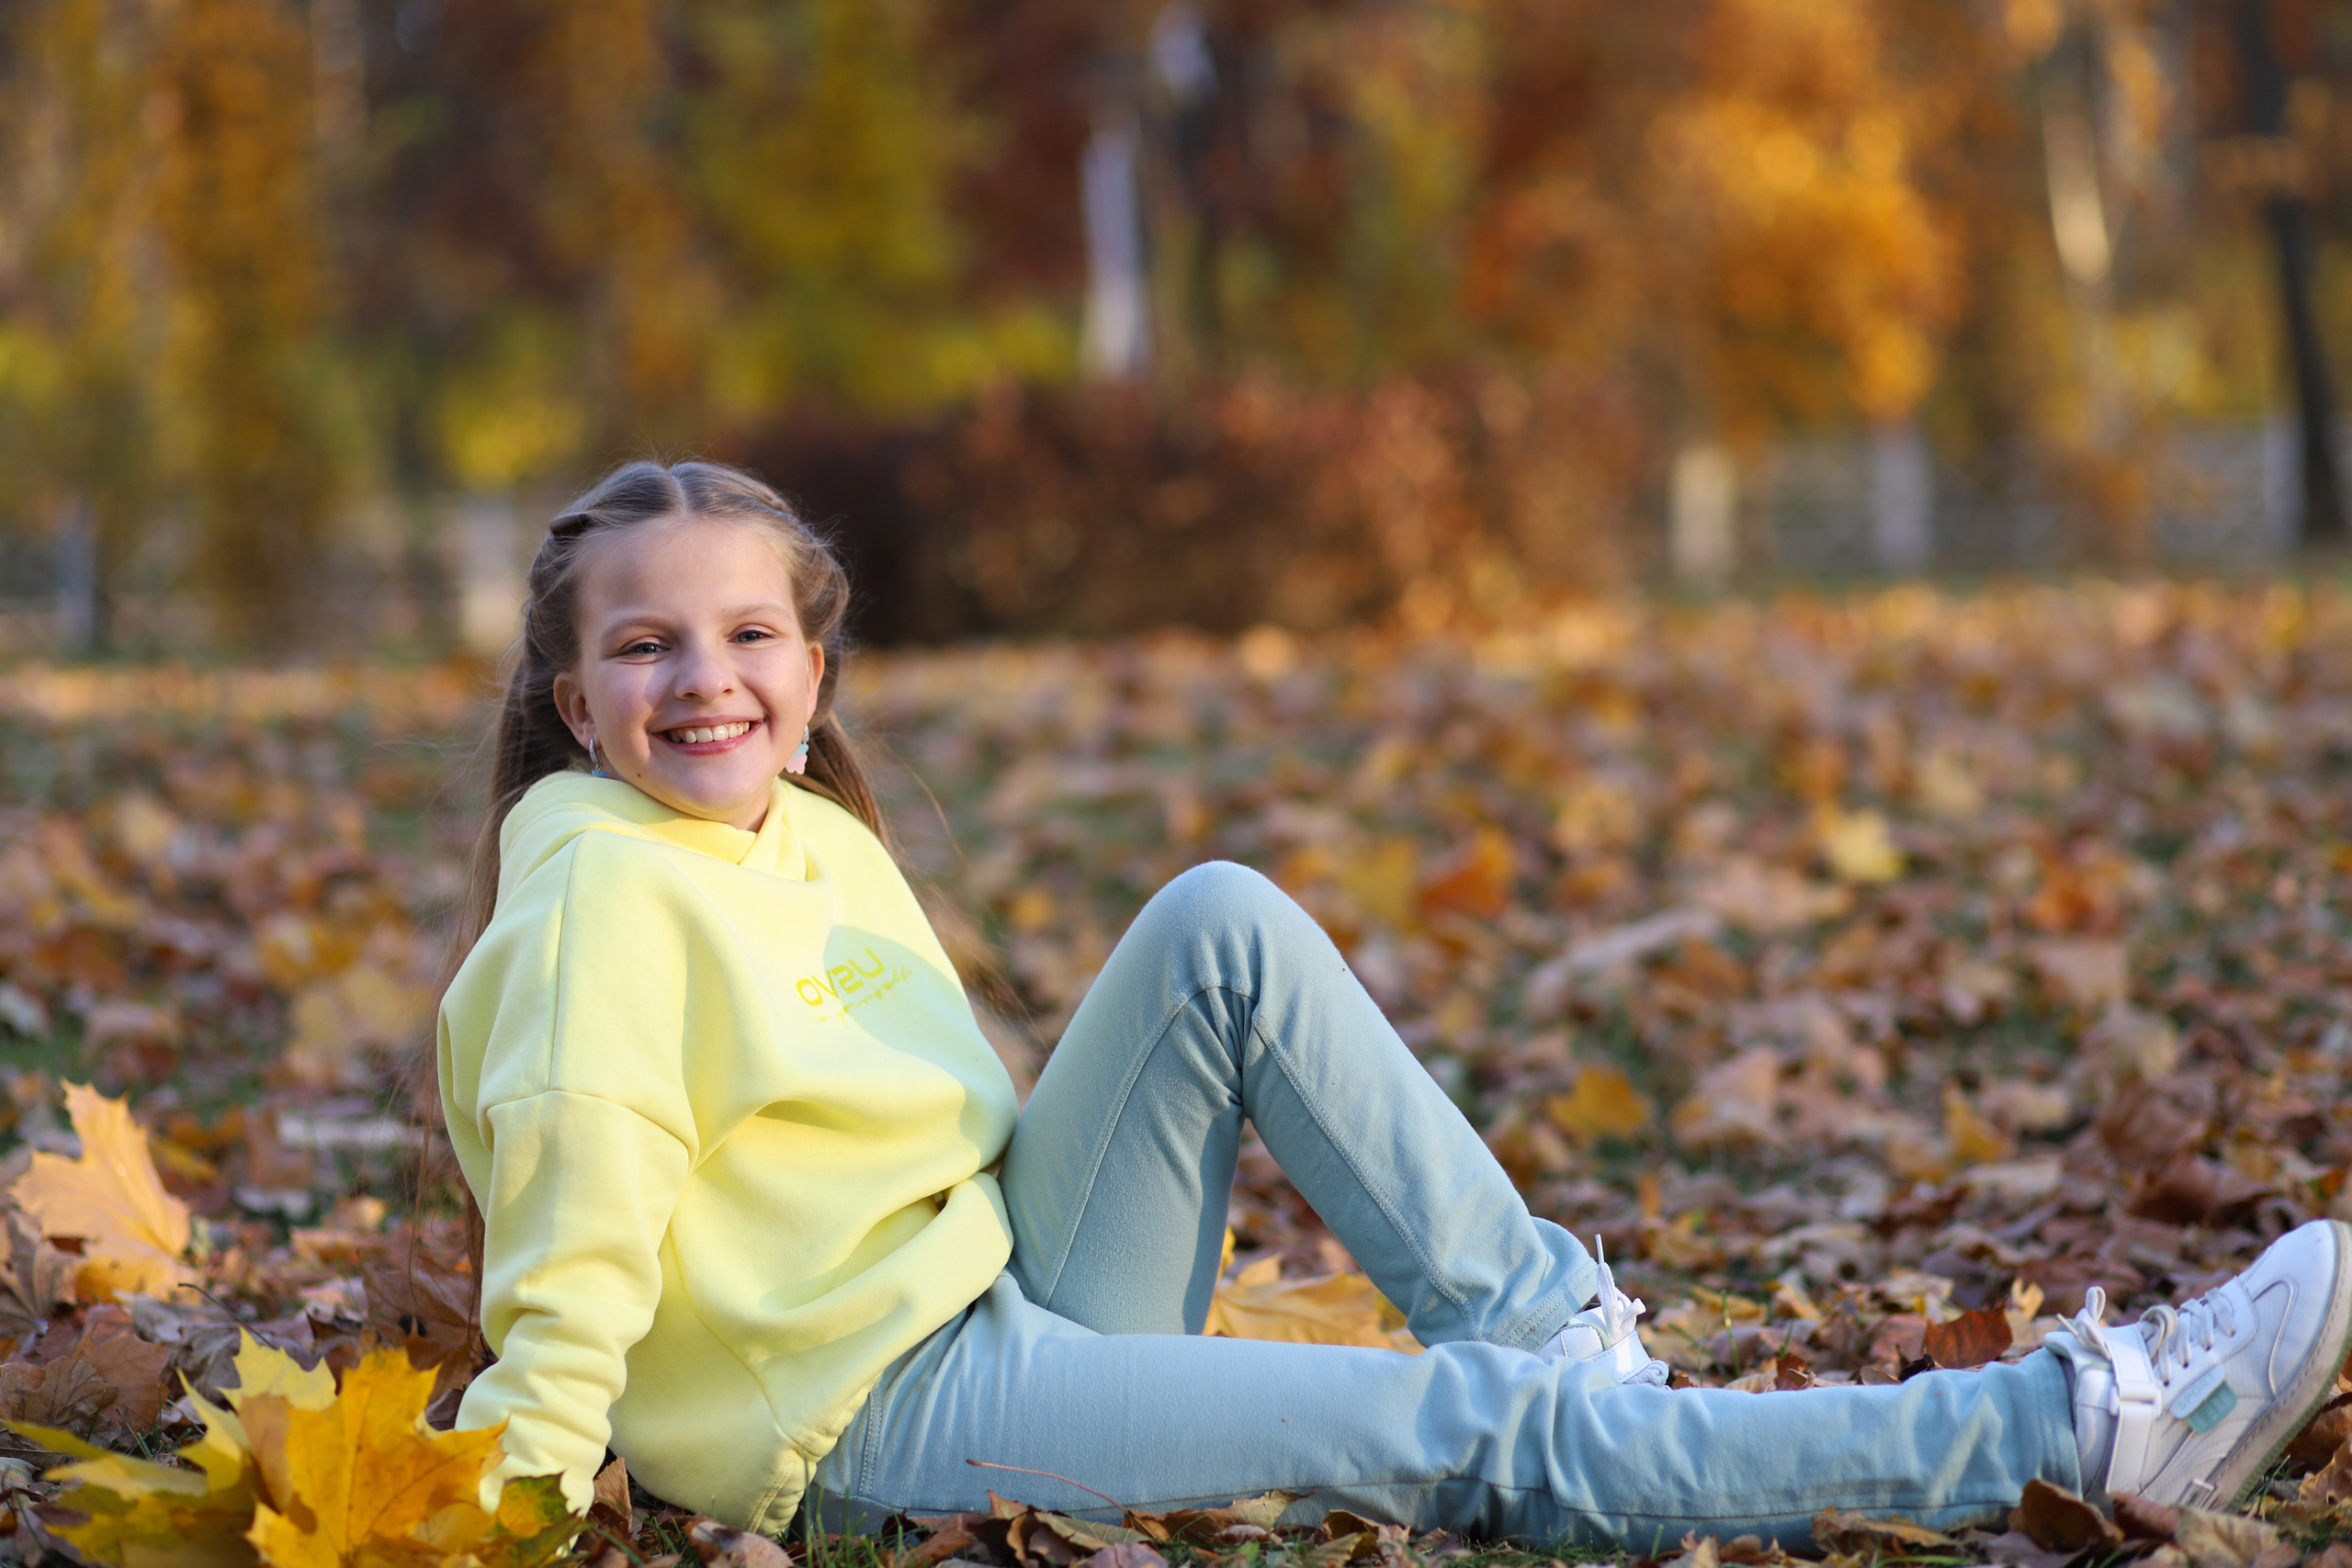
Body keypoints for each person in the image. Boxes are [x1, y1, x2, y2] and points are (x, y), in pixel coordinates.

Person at [436, 457, 2352, 1549]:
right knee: (1455, 1427)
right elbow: (576, 1237)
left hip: (990, 1289)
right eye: (646, 645)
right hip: (869, 1418)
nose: (706, 677)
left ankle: (1566, 1353)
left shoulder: (796, 835)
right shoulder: (602, 898)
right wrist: (505, 1507)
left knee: (1217, 921)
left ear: (813, 663)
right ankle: (2068, 1432)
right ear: (577, 701)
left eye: (748, 632)